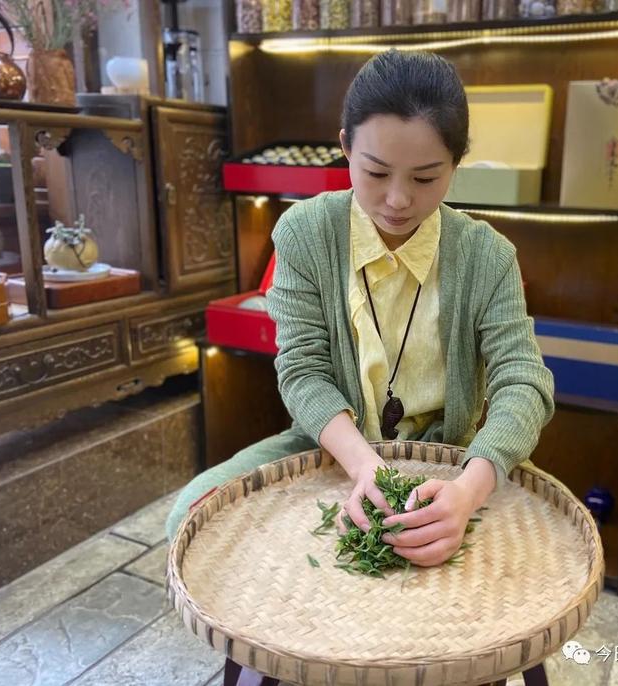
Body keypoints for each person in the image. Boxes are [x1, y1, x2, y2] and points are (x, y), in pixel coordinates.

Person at [166, 49, 554, 567]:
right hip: (335, 447)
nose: (397, 200)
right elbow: (302, 370)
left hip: (449, 461)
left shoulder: (488, 256)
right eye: (375, 173)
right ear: (346, 148)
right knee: (189, 515)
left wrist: (471, 485)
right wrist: (366, 465)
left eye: (424, 179)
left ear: (455, 165)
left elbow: (524, 381)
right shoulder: (305, 233)